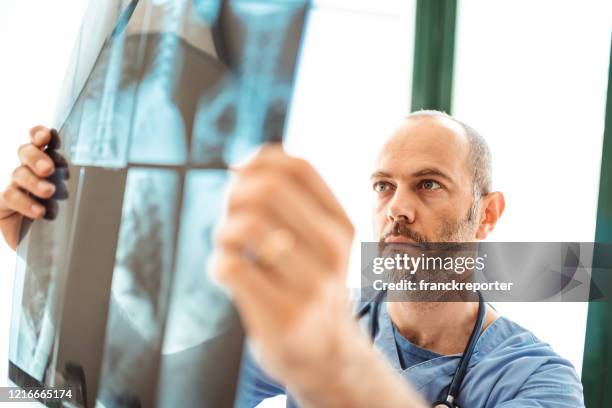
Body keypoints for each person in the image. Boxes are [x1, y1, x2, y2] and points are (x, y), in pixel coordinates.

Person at [1, 111, 585, 407]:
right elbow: (157, 390)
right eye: (384, 186)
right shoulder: (329, 319)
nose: (397, 210)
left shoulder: (535, 377)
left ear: (487, 214)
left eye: (429, 184)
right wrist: (46, 254)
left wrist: (332, 366)